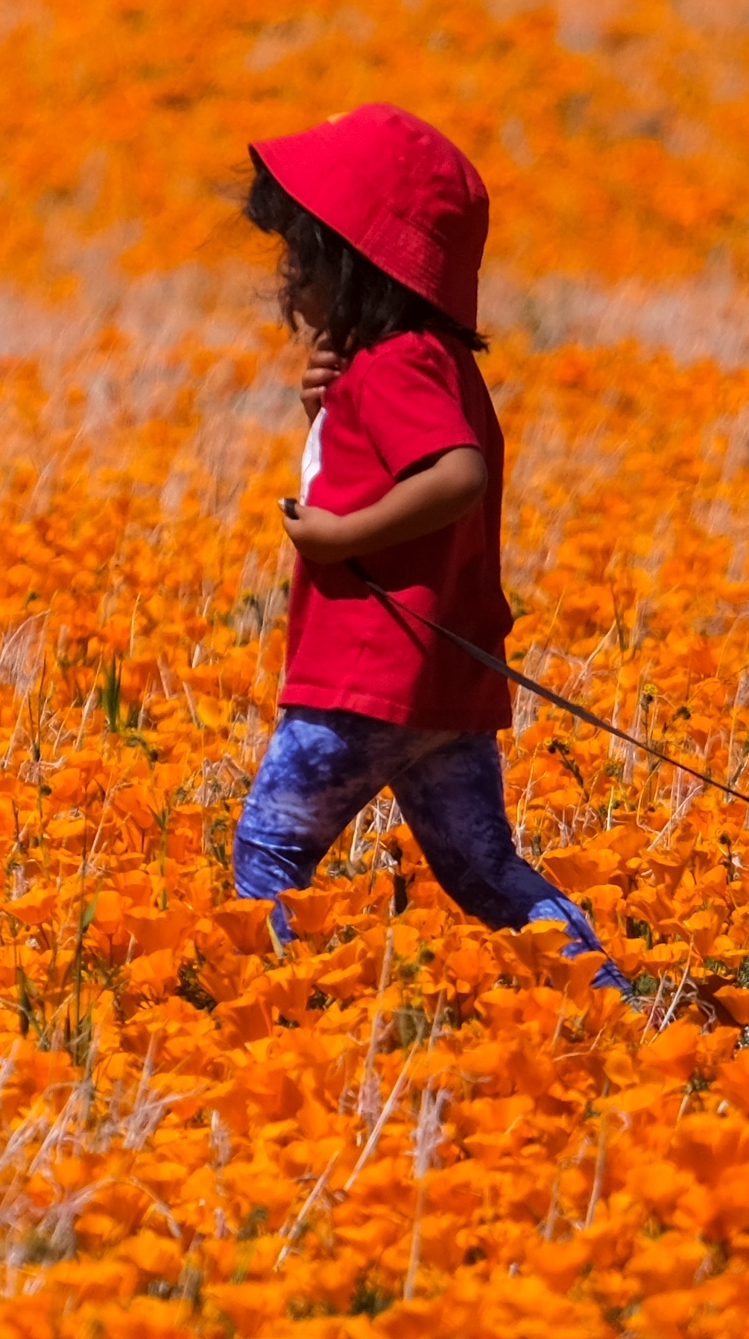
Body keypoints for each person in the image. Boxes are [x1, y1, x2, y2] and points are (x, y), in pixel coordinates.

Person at [232, 103, 620, 985]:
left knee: (266, 857)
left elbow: (455, 474)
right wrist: (325, 417)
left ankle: (280, 1017)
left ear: (349, 261)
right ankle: (607, 1002)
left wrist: (337, 537)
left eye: (300, 256)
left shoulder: (399, 361)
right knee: (485, 872)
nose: (287, 281)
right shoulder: (426, 359)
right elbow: (397, 460)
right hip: (440, 685)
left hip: (369, 675)